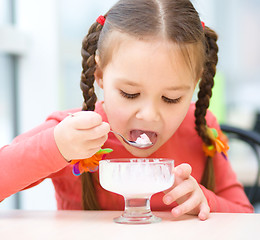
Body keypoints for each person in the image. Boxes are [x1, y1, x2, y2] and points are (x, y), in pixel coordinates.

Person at [0, 0, 253, 220]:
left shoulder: (200, 129)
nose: (149, 114)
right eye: (130, 94)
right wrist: (56, 147)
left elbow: (245, 216)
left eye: (171, 98)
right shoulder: (72, 135)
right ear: (100, 75)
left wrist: (205, 201)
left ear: (195, 84)